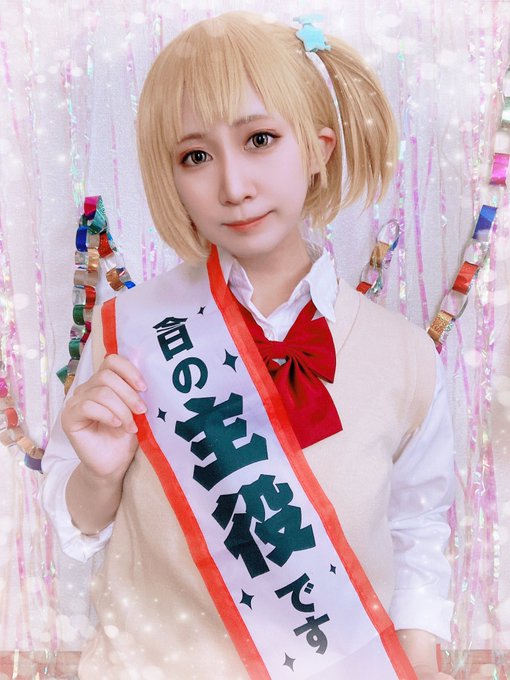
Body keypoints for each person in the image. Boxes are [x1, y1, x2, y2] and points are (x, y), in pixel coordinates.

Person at [40, 11, 455, 680]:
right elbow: (79, 527)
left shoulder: (407, 358)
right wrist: (99, 476)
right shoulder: (129, 332)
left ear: (318, 149)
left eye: (260, 139)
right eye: (196, 156)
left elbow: (418, 528)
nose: (233, 186)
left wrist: (419, 655)